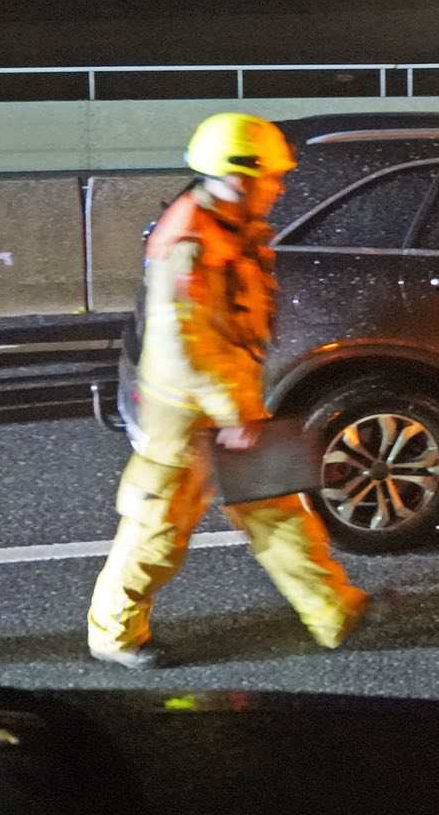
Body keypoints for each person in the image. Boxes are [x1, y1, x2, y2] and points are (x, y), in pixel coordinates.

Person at [87, 113, 367, 669]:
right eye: (272, 177)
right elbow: (187, 345)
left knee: (279, 510)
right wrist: (235, 413)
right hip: (186, 415)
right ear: (240, 175)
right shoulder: (191, 240)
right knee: (156, 531)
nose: (279, 187)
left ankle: (335, 612)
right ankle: (115, 636)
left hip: (230, 401)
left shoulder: (228, 223)